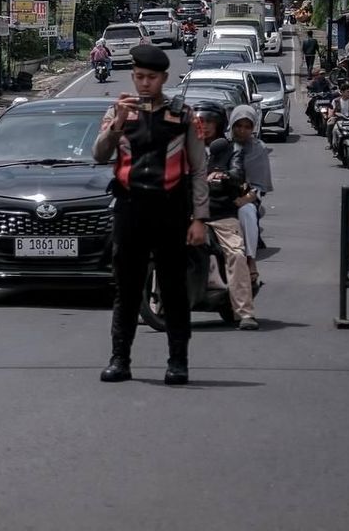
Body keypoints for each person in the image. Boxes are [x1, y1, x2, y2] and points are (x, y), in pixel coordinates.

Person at [92, 45, 208, 386]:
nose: (145, 84)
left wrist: (199, 218)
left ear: (164, 79)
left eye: (152, 78)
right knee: (126, 289)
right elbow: (99, 155)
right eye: (140, 77)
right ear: (133, 76)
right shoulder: (119, 111)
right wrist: (117, 123)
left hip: (171, 210)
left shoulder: (184, 115)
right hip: (130, 209)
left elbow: (199, 170)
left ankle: (178, 362)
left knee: (173, 289)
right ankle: (119, 359)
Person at [194, 105, 259, 330]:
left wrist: (226, 176)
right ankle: (155, 304)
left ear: (219, 125)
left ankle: (245, 312)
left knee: (236, 254)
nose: (203, 126)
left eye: (208, 122)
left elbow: (238, 172)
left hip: (220, 213)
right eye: (199, 121)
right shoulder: (184, 148)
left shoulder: (230, 150)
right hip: (189, 213)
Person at [229, 105, 273, 286]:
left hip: (246, 197)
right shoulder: (221, 144)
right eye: (239, 125)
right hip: (218, 196)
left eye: (247, 126)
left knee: (247, 212)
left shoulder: (258, 148)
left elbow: (258, 186)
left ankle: (250, 259)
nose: (242, 130)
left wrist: (242, 200)